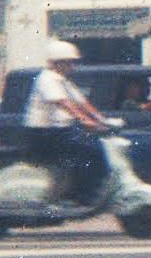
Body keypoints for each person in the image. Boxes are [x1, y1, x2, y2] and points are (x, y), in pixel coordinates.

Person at [23, 39, 113, 201]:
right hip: (42, 133)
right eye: (69, 63)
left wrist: (102, 119)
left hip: (57, 131)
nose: (72, 67)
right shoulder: (47, 79)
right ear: (58, 63)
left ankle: (85, 192)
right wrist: (86, 121)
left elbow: (82, 102)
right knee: (91, 150)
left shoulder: (63, 81)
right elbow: (64, 103)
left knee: (93, 147)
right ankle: (81, 195)